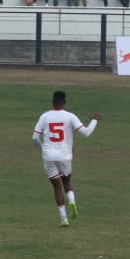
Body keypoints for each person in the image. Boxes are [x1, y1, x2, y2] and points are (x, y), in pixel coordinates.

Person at [32, 90, 102, 226]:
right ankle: (72, 201)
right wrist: (94, 120)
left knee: (57, 188)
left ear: (52, 101)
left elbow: (35, 137)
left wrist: (43, 148)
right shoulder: (70, 116)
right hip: (64, 155)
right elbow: (86, 133)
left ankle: (63, 219)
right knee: (67, 183)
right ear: (64, 102)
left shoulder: (45, 116)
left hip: (49, 156)